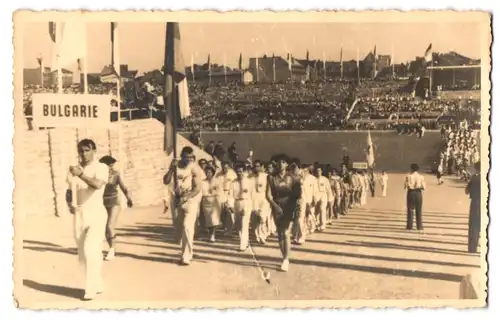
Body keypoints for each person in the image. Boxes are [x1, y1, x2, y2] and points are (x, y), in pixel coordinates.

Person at [66, 139, 109, 300]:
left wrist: (81, 174)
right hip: (79, 214)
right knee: (84, 253)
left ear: (94, 150)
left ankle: (89, 289)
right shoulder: (73, 170)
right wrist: (69, 202)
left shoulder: (101, 167)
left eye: (86, 150)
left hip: (96, 212)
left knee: (91, 249)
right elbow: (68, 189)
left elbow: (97, 185)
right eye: (81, 151)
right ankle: (97, 282)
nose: (83, 154)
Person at [163, 146, 204, 266]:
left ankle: (187, 256)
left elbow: (197, 188)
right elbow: (166, 181)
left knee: (187, 226)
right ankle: (185, 253)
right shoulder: (175, 166)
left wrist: (187, 197)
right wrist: (171, 168)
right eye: (186, 157)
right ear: (181, 156)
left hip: (189, 200)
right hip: (176, 199)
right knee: (179, 229)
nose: (189, 160)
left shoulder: (194, 168)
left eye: (191, 157)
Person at [266, 154, 302, 272]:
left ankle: (286, 259)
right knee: (280, 233)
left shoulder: (293, 178)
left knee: (286, 233)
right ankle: (284, 256)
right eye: (278, 162)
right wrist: (275, 206)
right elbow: (268, 195)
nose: (280, 164)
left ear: (286, 164)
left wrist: (295, 209)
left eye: (283, 162)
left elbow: (297, 195)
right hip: (277, 207)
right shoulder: (271, 177)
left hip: (288, 207)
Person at [99, 156, 133, 261]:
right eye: (108, 165)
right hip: (102, 203)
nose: (110, 167)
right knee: (105, 228)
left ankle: (112, 250)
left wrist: (128, 198)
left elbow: (123, 187)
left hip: (114, 202)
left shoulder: (115, 174)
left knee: (110, 226)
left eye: (112, 164)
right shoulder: (99, 175)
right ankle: (110, 247)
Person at [227, 162, 255, 251]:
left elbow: (252, 195)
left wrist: (252, 207)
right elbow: (230, 195)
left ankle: (242, 245)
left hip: (246, 202)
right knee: (238, 225)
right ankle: (244, 241)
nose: (239, 173)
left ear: (244, 171)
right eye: (238, 171)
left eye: (241, 171)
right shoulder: (233, 183)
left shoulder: (249, 182)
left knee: (244, 224)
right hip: (236, 203)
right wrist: (230, 205)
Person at [251, 160, 271, 244]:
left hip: (263, 197)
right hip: (254, 198)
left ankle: (262, 236)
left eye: (258, 166)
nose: (256, 168)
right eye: (255, 166)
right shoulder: (250, 177)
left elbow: (269, 188)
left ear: (261, 166)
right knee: (255, 218)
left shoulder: (266, 176)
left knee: (262, 218)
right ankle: (257, 236)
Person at [200, 165, 221, 242]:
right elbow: (201, 192)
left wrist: (214, 192)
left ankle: (213, 234)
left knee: (214, 219)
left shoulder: (217, 181)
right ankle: (210, 233)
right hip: (206, 202)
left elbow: (220, 191)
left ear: (213, 173)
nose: (208, 173)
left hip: (215, 201)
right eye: (207, 172)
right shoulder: (202, 182)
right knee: (208, 219)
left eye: (209, 172)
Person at [404, 163, 426, 231]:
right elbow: (424, 187)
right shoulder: (421, 176)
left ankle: (409, 226)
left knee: (410, 209)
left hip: (411, 193)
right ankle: (419, 226)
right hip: (418, 193)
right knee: (418, 210)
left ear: (411, 169)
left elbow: (405, 186)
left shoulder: (408, 176)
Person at [465, 162, 481, 253]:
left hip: (475, 202)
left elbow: (466, 191)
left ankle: (472, 248)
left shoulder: (474, 178)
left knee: (473, 226)